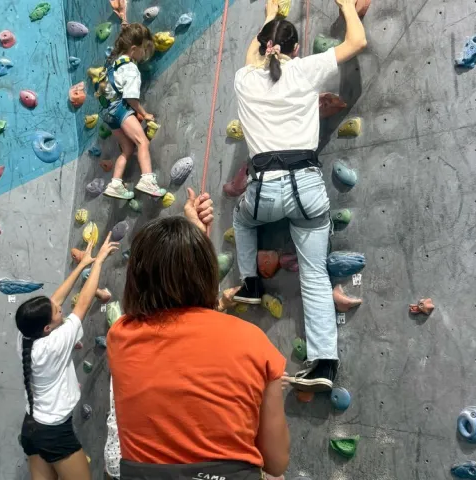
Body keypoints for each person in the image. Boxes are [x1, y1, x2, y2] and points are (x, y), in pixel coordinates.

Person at [106, 189, 290, 480]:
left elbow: (184, 326)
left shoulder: (121, 335)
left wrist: (194, 236)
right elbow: (276, 462)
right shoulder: (253, 342)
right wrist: (196, 239)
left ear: (136, 279)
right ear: (206, 271)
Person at [231, 0, 367, 392]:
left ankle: (251, 284)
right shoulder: (307, 69)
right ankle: (324, 363)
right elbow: (357, 42)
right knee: (314, 273)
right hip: (306, 186)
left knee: (242, 219)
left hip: (263, 189)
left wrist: (269, 17)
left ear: (263, 47)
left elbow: (254, 57)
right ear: (295, 49)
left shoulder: (244, 78)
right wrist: (346, 6)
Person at [17, 234, 119, 480]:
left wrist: (82, 265)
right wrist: (99, 261)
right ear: (47, 328)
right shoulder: (56, 343)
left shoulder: (26, 337)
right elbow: (83, 303)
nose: (59, 308)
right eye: (56, 312)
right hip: (54, 432)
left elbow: (55, 299)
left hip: (31, 427)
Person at [97, 23, 166, 200]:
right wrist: (145, 113)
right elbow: (130, 98)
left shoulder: (114, 63)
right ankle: (147, 180)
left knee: (127, 148)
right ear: (134, 49)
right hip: (120, 109)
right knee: (142, 141)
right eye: (144, 50)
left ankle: (115, 184)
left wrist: (125, 22)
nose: (144, 55)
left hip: (107, 113)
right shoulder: (131, 68)